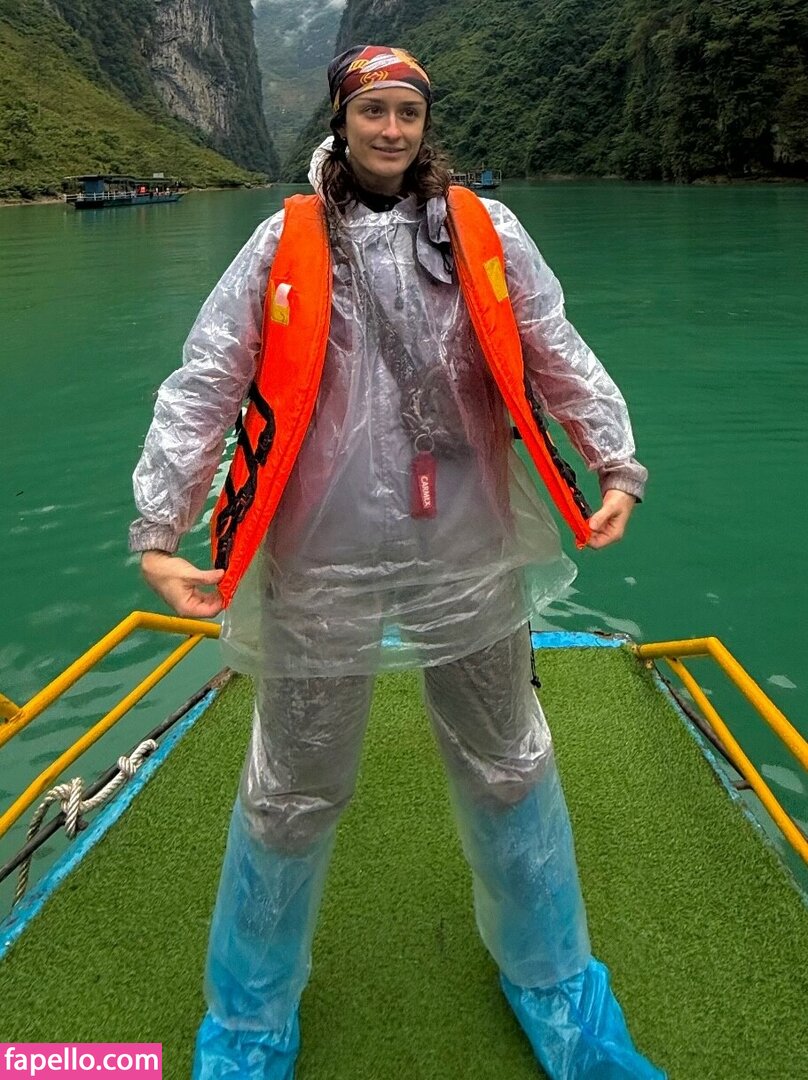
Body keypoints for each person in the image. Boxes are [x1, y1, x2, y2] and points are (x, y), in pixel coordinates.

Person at [130, 44, 664, 1080]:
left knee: (507, 763)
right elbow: (205, 382)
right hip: (319, 557)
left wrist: (616, 460)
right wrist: (160, 526)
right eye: (373, 110)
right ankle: (248, 1024)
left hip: (463, 543)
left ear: (425, 126)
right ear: (342, 120)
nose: (390, 130)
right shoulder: (281, 242)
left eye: (407, 113)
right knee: (290, 789)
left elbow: (552, 346)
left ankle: (554, 983)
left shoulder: (485, 231)